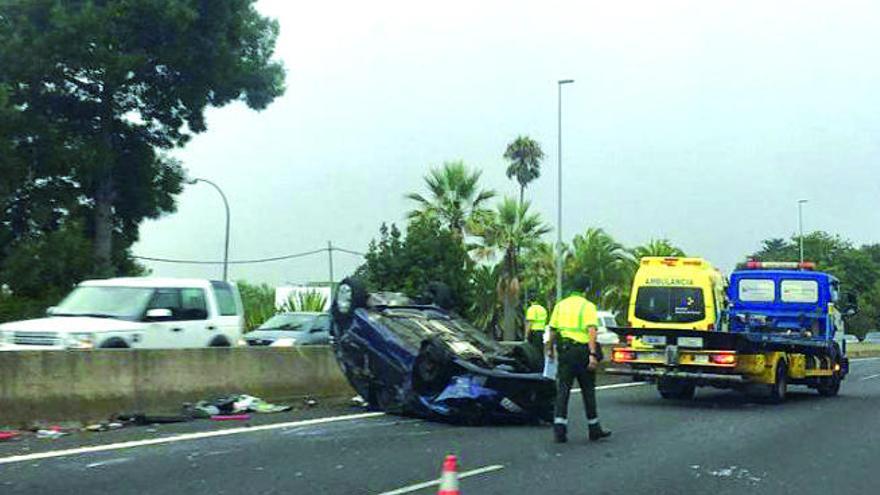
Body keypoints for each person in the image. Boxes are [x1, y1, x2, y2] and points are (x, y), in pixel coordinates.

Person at [546, 289, 612, 443]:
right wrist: (592, 354)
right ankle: (594, 428)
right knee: (588, 390)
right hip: (582, 352)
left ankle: (559, 430)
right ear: (586, 290)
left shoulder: (560, 305)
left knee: (563, 390)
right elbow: (591, 331)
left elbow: (553, 330)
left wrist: (549, 349)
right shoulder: (587, 306)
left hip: (565, 351)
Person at [524, 301, 548, 368]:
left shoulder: (532, 309)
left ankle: (534, 367)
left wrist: (526, 335)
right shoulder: (543, 309)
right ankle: (541, 367)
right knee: (540, 351)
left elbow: (530, 323)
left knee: (533, 351)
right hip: (542, 331)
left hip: (534, 332)